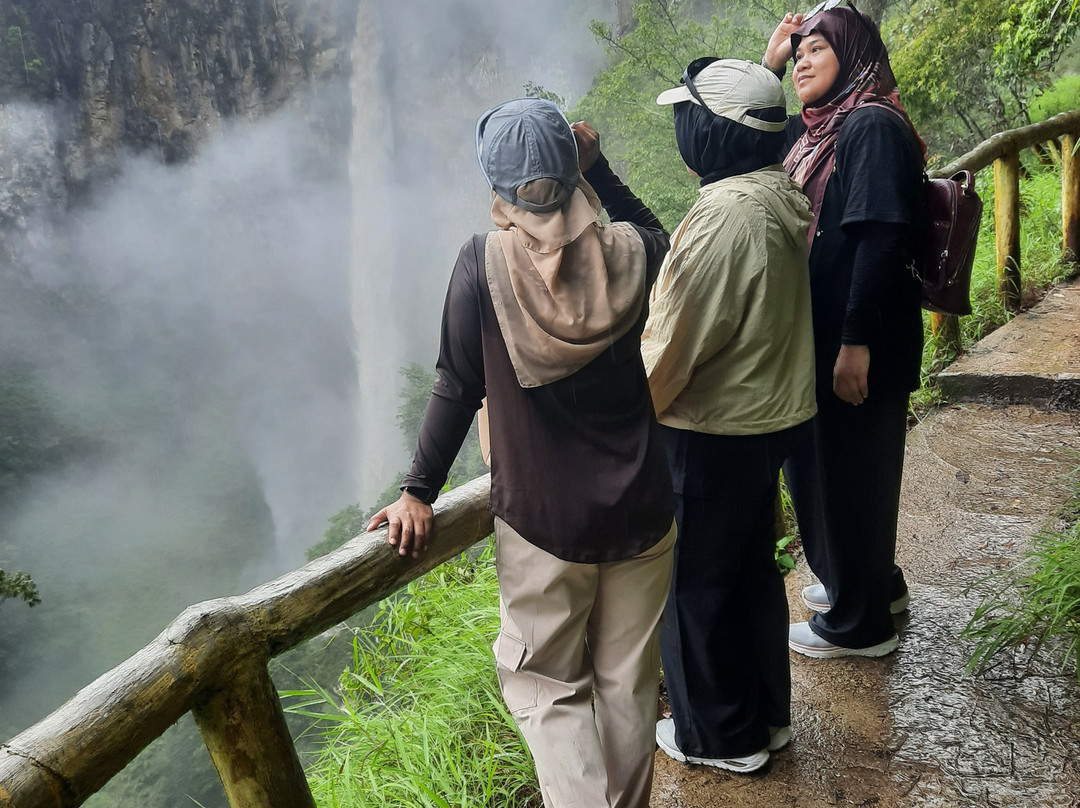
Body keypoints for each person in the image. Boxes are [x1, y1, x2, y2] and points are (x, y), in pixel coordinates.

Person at [366, 98, 676, 808]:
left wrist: (418, 490)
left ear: (498, 186)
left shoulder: (483, 265)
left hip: (543, 522)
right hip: (643, 506)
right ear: (572, 170)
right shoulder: (633, 251)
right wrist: (598, 170)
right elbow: (661, 233)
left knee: (545, 687)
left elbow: (455, 384)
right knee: (629, 687)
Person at [642, 58, 817, 773]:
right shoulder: (774, 192)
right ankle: (764, 717)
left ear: (714, 133)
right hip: (765, 416)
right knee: (747, 573)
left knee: (694, 587)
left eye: (688, 117)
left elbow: (672, 348)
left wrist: (619, 423)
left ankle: (720, 737)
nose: (681, 127)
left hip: (711, 427)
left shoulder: (724, 217)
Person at [762, 1, 925, 658]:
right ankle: (870, 587)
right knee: (848, 474)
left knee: (846, 478)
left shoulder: (869, 126)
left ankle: (859, 627)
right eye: (798, 51)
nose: (802, 60)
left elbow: (880, 239)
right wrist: (769, 66)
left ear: (854, 54)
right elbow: (745, 141)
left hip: (859, 342)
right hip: (834, 336)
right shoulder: (822, 129)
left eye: (817, 49)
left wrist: (854, 343)